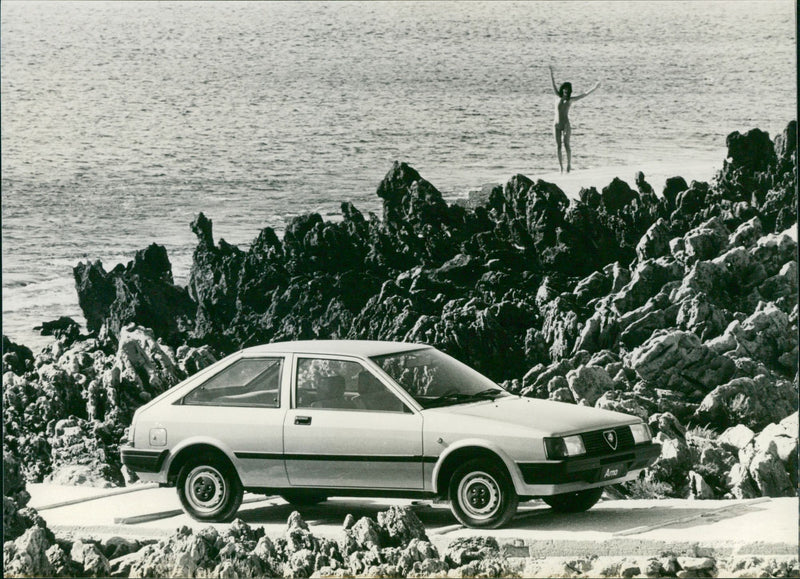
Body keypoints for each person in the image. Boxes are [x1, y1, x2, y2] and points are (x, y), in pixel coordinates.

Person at [549, 65, 601, 173]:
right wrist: (551, 73)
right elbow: (553, 85)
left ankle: (568, 165)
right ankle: (561, 167)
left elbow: (584, 95)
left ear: (569, 91)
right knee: (558, 146)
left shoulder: (570, 100)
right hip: (556, 125)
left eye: (567, 90)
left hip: (566, 124)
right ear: (562, 89)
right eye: (564, 89)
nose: (565, 91)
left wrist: (595, 88)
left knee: (566, 144)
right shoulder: (557, 97)